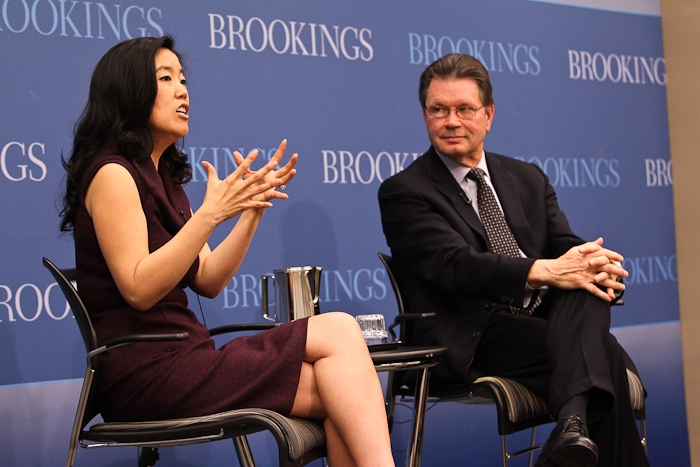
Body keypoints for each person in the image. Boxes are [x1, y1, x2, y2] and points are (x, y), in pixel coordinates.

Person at [60, 36, 395, 467]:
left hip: (186, 361)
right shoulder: (113, 174)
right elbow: (139, 288)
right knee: (339, 332)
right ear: (129, 90)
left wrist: (250, 210)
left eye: (183, 79)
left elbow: (209, 280)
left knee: (340, 386)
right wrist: (210, 215)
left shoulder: (161, 177)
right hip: (147, 374)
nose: (183, 91)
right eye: (166, 79)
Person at [377, 53, 649, 467]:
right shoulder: (404, 191)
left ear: (488, 115)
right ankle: (572, 426)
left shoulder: (526, 177)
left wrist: (594, 262)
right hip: (476, 335)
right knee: (604, 362)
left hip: (545, 323)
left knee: (584, 277)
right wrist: (545, 271)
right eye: (439, 110)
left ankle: (572, 431)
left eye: (464, 109)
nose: (451, 121)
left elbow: (564, 244)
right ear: (425, 114)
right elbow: (455, 265)